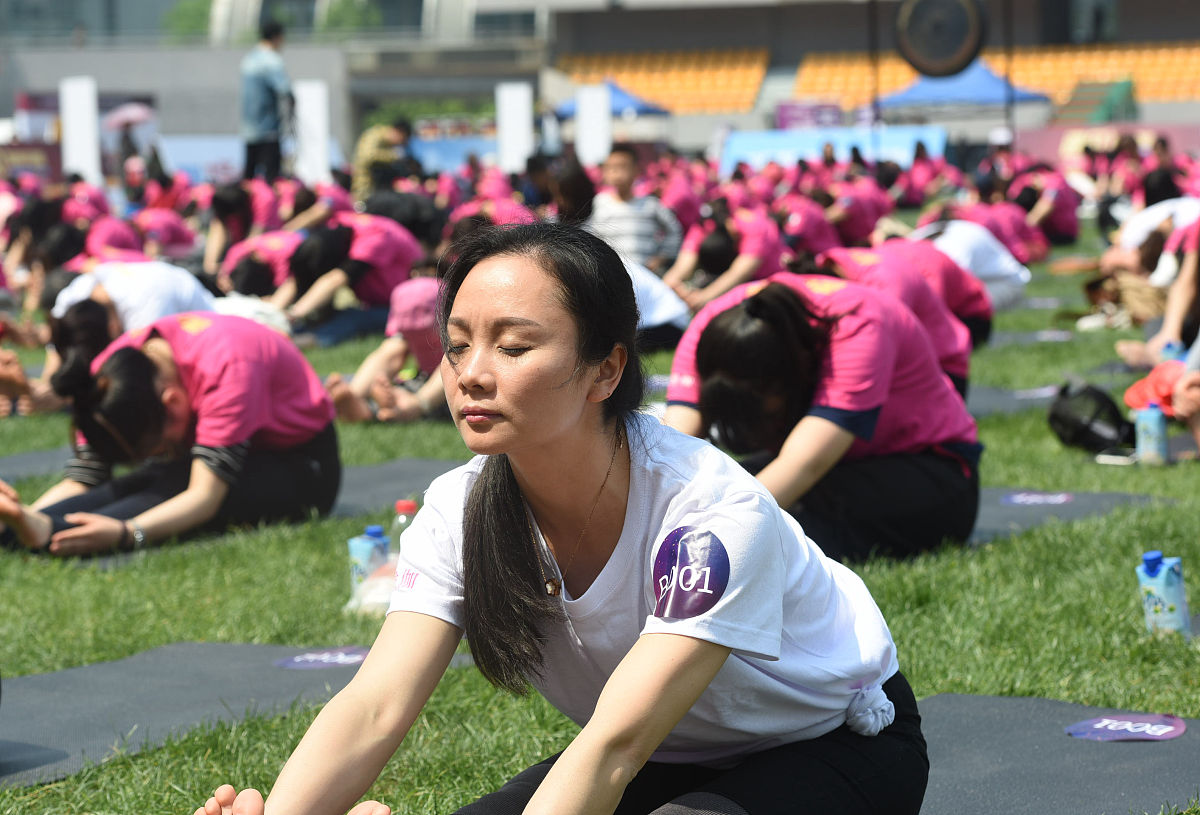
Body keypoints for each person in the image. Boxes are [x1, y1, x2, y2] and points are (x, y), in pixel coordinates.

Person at [193, 222, 927, 815]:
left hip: (829, 744)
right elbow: (375, 705)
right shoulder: (461, 506)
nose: (471, 372)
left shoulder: (707, 511)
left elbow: (613, 746)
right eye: (456, 346)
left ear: (606, 370)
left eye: (513, 346)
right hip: (670, 752)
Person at [664, 273, 980, 562]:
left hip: (931, 470)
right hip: (838, 467)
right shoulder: (714, 324)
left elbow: (803, 465)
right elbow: (669, 453)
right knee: (722, 491)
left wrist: (705, 541)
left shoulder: (858, 324)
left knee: (775, 529)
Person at [0, 312, 340, 556]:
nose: (159, 453)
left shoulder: (226, 366)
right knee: (139, 482)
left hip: (303, 465)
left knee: (168, 486)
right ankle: (21, 531)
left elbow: (203, 498)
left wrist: (127, 534)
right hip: (230, 454)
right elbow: (87, 478)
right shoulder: (111, 377)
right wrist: (25, 512)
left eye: (157, 446)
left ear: (173, 404)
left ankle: (45, 533)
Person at [588, 143, 682, 273]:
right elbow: (590, 235)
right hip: (613, 274)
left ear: (636, 170)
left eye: (622, 167)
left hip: (644, 273)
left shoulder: (650, 205)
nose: (615, 172)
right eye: (610, 167)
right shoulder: (599, 202)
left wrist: (661, 258)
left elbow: (674, 229)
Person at [240, 20, 293, 183]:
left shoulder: (248, 59)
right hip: (268, 128)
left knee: (249, 177)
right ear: (277, 37)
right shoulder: (272, 60)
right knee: (271, 177)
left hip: (248, 129)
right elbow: (285, 89)